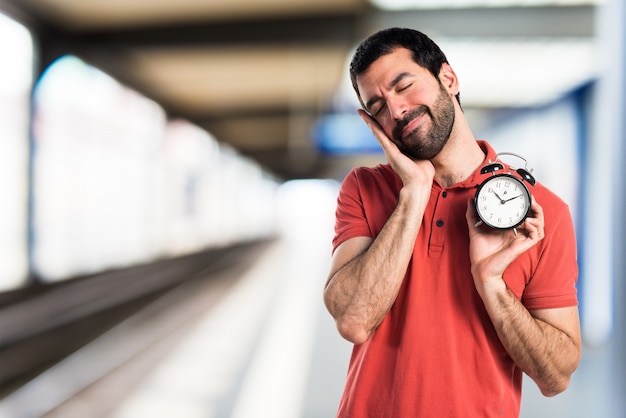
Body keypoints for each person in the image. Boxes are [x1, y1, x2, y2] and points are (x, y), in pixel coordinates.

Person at [323, 27, 581, 417]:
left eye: (403, 86)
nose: (395, 110)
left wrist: (493, 285)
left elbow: (556, 376)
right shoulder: (364, 188)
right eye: (378, 106)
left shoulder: (541, 212)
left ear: (448, 78)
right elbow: (354, 320)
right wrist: (414, 192)